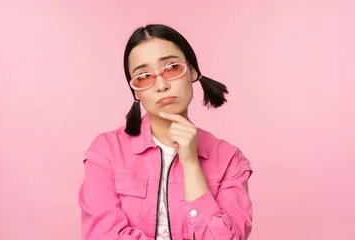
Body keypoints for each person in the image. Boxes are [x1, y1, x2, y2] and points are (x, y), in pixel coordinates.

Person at [78, 23, 253, 240]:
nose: (161, 85)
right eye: (144, 76)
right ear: (135, 91)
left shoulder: (229, 160)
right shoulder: (106, 151)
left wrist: (191, 164)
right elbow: (102, 235)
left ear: (192, 71)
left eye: (171, 67)